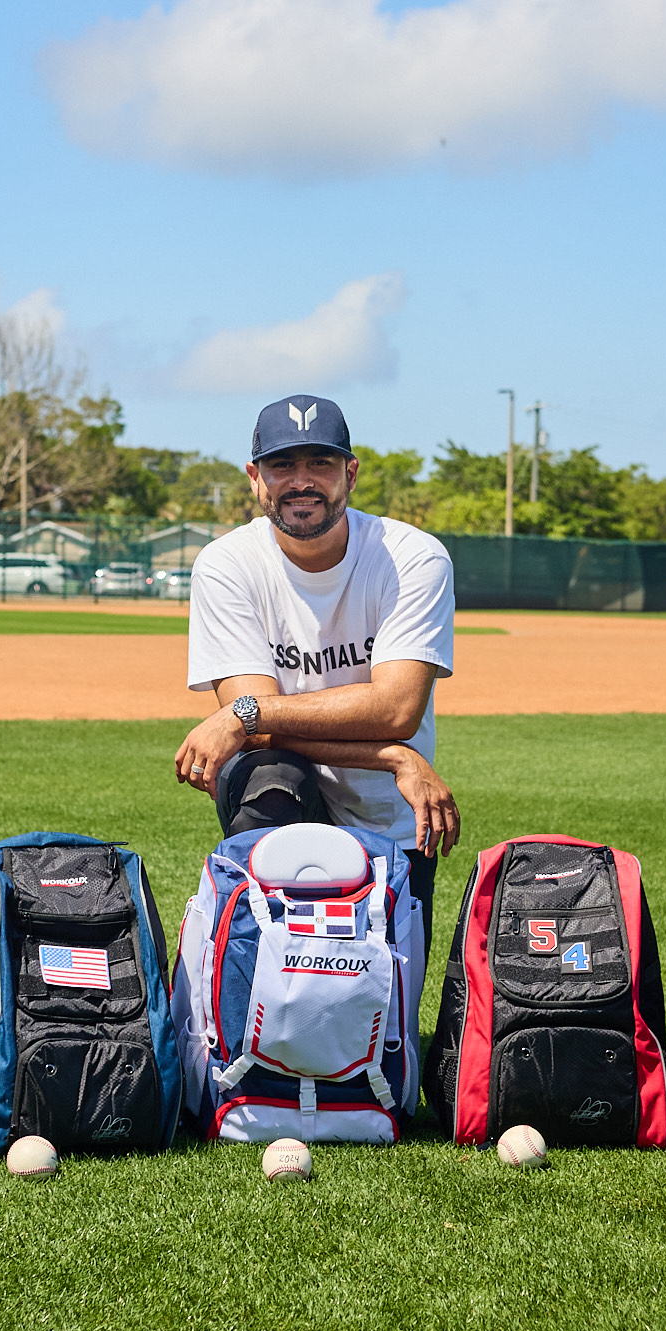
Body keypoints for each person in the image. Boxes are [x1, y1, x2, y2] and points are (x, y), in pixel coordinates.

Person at [175, 393, 459, 952]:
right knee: (268, 773)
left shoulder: (412, 557)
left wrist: (245, 715)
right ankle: (258, 985)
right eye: (283, 464)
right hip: (291, 791)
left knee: (383, 1012)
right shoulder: (227, 564)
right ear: (256, 478)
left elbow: (396, 710)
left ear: (349, 474)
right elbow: (255, 735)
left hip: (389, 814)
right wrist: (393, 755)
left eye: (320, 464)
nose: (302, 481)